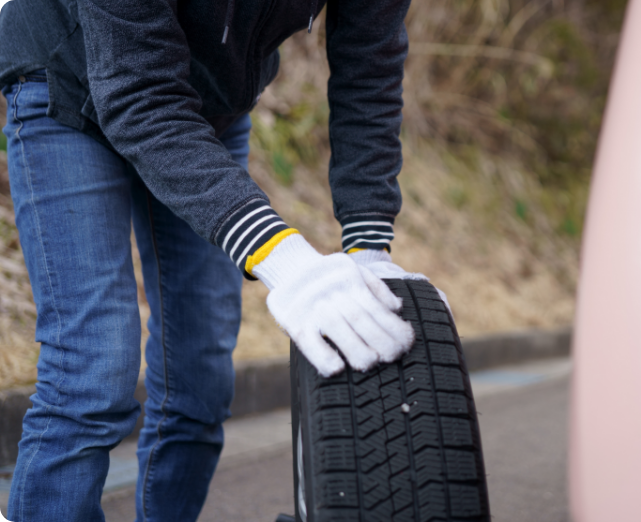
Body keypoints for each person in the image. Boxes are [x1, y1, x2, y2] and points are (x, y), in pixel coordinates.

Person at [0, 0, 438, 519]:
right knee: (92, 373)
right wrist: (284, 259)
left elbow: (369, 69)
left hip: (210, 110)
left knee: (200, 384)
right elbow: (138, 97)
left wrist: (368, 245)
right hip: (67, 80)